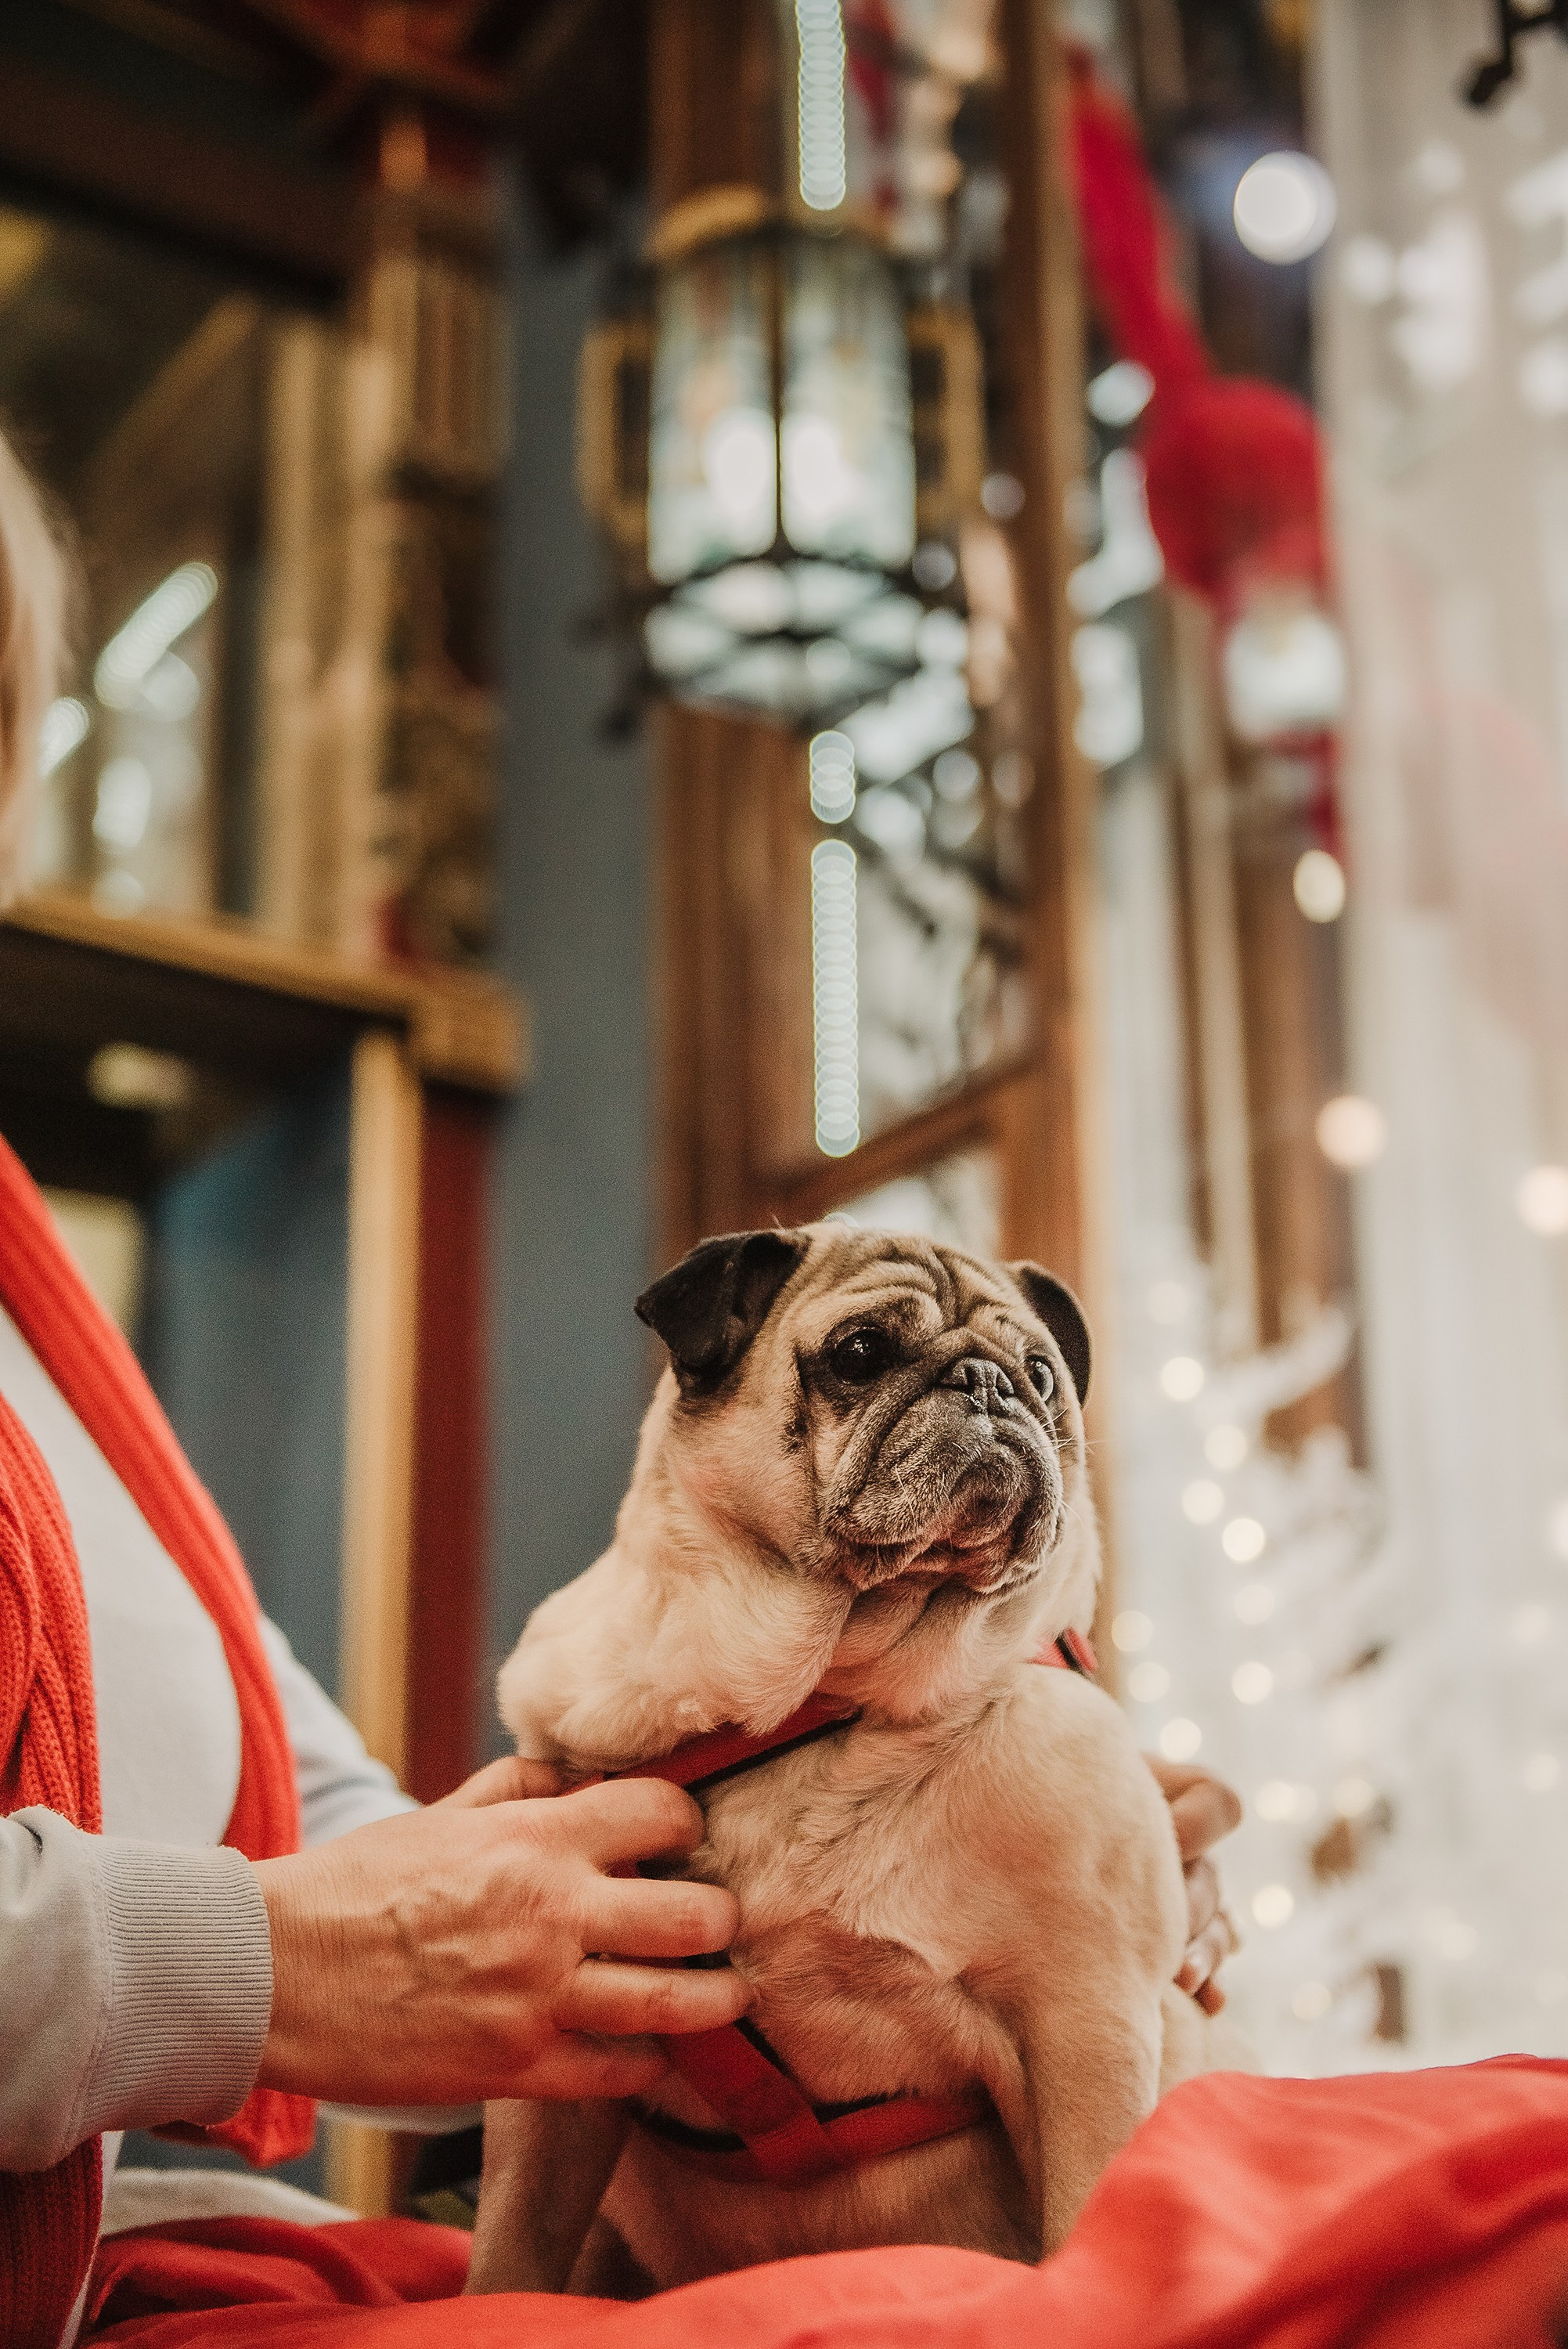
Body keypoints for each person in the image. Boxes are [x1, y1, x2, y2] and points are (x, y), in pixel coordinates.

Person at [0, 429, 1241, 2348]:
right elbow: (307, 1937)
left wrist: (1033, 1878)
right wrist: (258, 1965)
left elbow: (347, 1855)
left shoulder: (47, 1327)